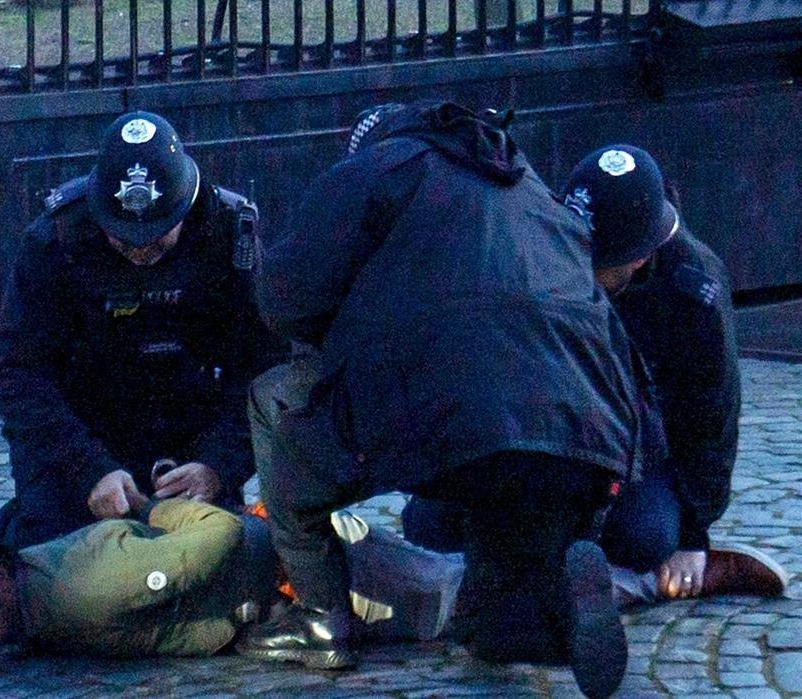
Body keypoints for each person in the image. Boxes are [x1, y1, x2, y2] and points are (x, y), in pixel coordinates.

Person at [240, 101, 645, 698]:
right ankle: (562, 596)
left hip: (445, 408)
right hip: (582, 430)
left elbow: (285, 299)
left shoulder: (376, 169)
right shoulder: (526, 183)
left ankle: (322, 621)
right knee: (495, 635)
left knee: (276, 406)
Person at [401, 144, 785, 606]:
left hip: (628, 448)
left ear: (639, 259)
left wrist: (693, 536)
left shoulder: (691, 291)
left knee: (649, 539)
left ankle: (554, 588)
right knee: (429, 524)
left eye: (594, 261)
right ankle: (520, 576)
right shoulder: (545, 245)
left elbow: (710, 416)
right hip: (543, 432)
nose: (575, 265)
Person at [0, 111, 280, 550]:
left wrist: (220, 466)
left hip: (189, 435)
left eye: (158, 239)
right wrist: (87, 469)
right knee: (53, 571)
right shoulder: (55, 241)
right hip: (79, 429)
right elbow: (19, 376)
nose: (141, 253)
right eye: (123, 239)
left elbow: (267, 365)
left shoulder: (227, 234)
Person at [0, 498, 464, 659]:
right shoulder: (24, 595)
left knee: (465, 597)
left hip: (316, 570)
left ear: (0, 578)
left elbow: (219, 533)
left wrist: (153, 509)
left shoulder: (88, 589)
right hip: (286, 590)